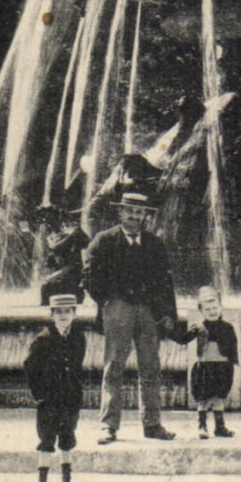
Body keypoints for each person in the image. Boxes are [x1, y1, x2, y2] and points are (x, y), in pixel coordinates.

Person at [81, 187, 180, 443]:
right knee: (114, 366)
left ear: (145, 216)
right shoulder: (104, 241)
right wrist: (108, 301)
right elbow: (89, 275)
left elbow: (166, 282)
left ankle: (152, 424)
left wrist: (168, 314)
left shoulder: (154, 244)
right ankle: (108, 426)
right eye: (131, 211)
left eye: (140, 213)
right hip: (118, 309)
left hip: (148, 311)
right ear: (121, 212)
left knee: (151, 368)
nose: (135, 217)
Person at [23, 277, 87, 482]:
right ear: (51, 314)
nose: (63, 315)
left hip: (70, 399)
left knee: (68, 439)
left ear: (74, 314)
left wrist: (77, 391)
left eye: (67, 311)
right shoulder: (43, 340)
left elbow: (78, 366)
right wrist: (39, 395)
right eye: (58, 312)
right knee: (46, 440)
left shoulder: (79, 338)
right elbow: (29, 368)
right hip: (49, 400)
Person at [182, 285, 238, 439]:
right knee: (204, 399)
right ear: (201, 312)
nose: (212, 312)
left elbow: (233, 345)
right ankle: (202, 426)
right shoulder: (199, 328)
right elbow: (184, 339)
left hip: (222, 367)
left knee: (219, 398)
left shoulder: (227, 327)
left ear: (220, 307)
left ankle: (220, 427)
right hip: (205, 367)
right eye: (208, 310)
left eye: (214, 308)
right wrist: (170, 331)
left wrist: (232, 363)